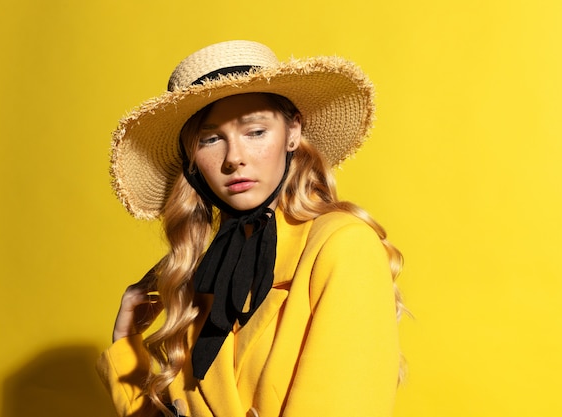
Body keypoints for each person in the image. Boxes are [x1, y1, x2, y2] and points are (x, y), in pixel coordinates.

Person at [97, 40, 405, 417]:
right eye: (211, 139)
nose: (234, 158)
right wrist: (126, 342)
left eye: (255, 131)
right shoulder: (201, 279)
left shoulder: (343, 246)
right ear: (192, 159)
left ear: (293, 131)